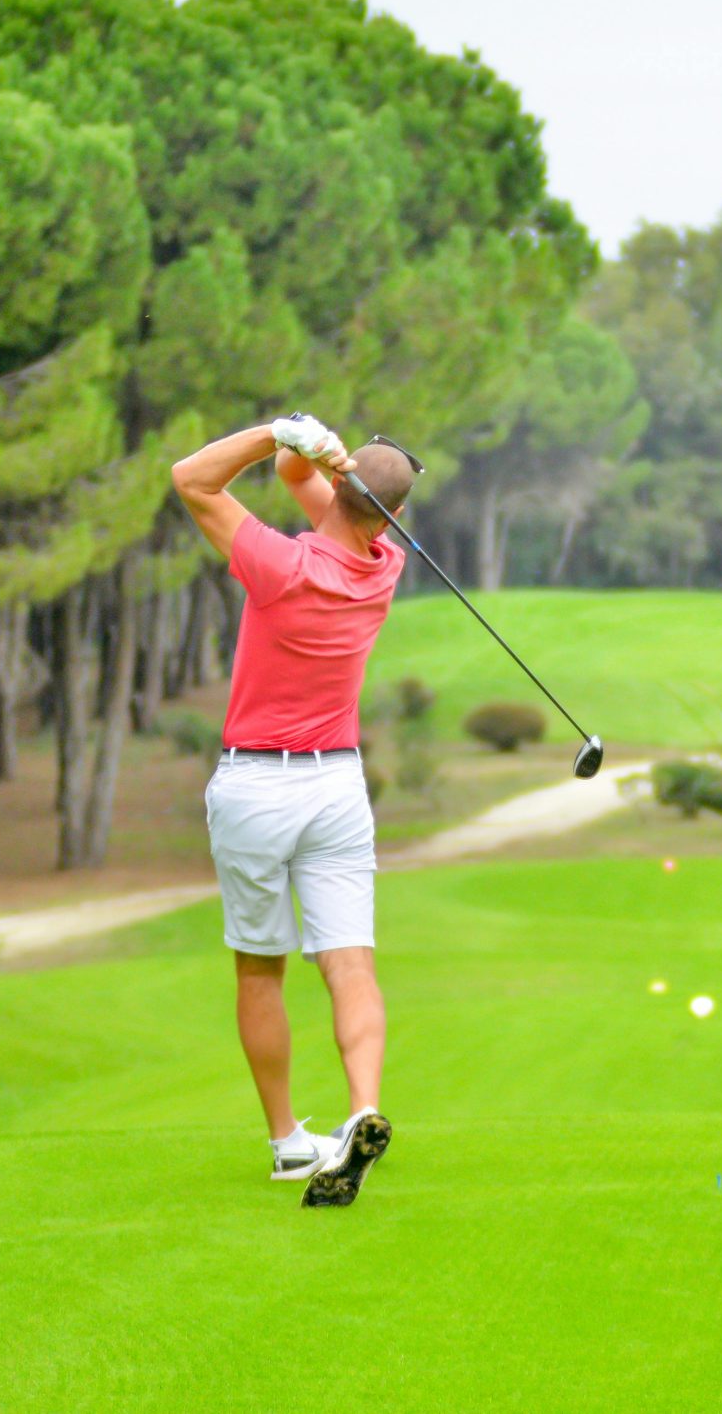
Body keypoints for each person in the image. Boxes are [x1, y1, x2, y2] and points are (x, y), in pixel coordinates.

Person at [170, 414, 415, 1207]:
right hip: (337, 787)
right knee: (351, 962)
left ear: (341, 486)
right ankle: (363, 1110)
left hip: (255, 787)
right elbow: (309, 486)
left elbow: (191, 478)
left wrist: (280, 431)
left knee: (259, 967)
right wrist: (309, 457)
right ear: (393, 517)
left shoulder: (279, 564)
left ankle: (286, 1141)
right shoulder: (385, 567)